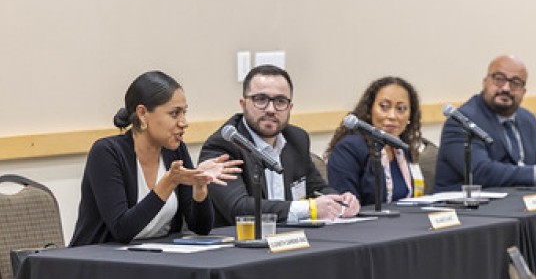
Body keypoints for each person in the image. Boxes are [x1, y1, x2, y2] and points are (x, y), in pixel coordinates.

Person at [70, 71, 242, 246]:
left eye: (184, 113)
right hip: (98, 262)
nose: (184, 123)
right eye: (175, 114)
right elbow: (122, 230)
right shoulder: (107, 152)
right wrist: (168, 182)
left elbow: (200, 228)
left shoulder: (175, 150)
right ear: (143, 113)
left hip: (157, 261)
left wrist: (200, 185)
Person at [199, 64, 360, 226]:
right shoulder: (224, 144)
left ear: (290, 108)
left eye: (280, 101)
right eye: (260, 100)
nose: (270, 109)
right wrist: (308, 209)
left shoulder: (297, 139)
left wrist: (340, 201)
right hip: (240, 245)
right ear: (243, 104)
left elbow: (315, 188)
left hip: (290, 241)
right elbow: (239, 209)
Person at [434, 55, 536, 192]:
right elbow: (481, 172)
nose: (506, 88)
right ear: (485, 82)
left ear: (523, 92)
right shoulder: (463, 120)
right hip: (465, 208)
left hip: (515, 203)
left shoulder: (527, 119)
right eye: (499, 79)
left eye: (515, 82)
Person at [324, 76, 426, 205]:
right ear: (369, 109)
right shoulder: (349, 149)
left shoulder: (404, 147)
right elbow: (345, 205)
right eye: (384, 107)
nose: (392, 116)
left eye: (401, 109)